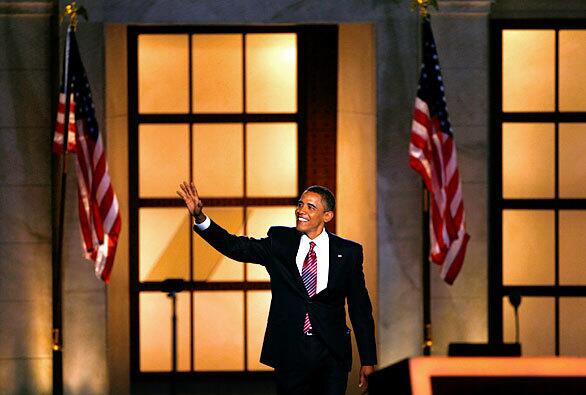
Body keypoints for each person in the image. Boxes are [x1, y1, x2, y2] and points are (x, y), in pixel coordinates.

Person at [177, 181, 377, 395]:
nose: (301, 210)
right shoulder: (280, 241)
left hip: (331, 353)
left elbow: (360, 309)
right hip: (291, 352)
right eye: (300, 204)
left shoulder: (348, 252)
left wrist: (368, 359)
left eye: (311, 207)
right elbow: (235, 246)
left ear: (327, 216)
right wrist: (200, 218)